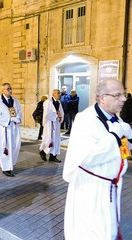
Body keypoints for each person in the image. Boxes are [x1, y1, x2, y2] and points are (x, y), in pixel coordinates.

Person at [63, 79, 132, 240]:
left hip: (110, 187)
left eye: (123, 94)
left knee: (109, 231)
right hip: (92, 189)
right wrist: (115, 135)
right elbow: (87, 157)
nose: (123, 99)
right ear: (102, 98)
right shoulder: (85, 119)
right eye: (117, 95)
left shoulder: (115, 118)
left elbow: (120, 147)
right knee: (92, 232)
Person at [0, 82, 22, 177]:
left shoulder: (15, 100)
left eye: (10, 88)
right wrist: (8, 119)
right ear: (2, 90)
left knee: (14, 146)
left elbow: (19, 111)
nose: (10, 90)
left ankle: (10, 164)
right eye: (8, 89)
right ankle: (6, 168)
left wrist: (18, 118)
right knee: (4, 147)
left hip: (13, 128)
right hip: (3, 128)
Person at [39, 89, 64, 162]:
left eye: (59, 93)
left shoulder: (59, 102)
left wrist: (60, 116)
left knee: (55, 140)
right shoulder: (48, 102)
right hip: (49, 124)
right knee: (48, 139)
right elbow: (47, 114)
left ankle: (53, 156)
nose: (59, 95)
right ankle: (42, 152)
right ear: (53, 94)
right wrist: (56, 115)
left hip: (56, 124)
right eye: (58, 93)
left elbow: (61, 112)